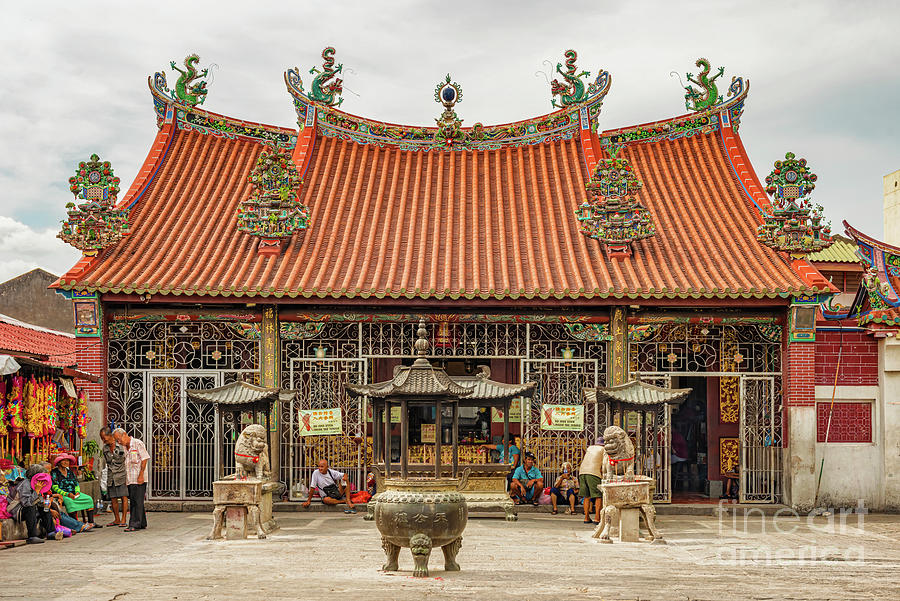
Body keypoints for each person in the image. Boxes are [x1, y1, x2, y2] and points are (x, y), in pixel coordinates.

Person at [50, 453, 101, 528]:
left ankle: (91, 522)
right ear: (59, 462)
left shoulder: (70, 472)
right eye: (63, 460)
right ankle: (76, 524)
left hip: (74, 494)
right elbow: (55, 487)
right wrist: (67, 494)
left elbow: (76, 484)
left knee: (89, 499)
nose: (66, 462)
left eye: (67, 461)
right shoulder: (54, 473)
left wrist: (77, 492)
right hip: (63, 495)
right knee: (69, 502)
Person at [114, 427, 150, 532]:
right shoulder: (125, 448)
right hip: (130, 478)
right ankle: (142, 522)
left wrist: (141, 475)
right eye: (117, 440)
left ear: (124, 434)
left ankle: (134, 524)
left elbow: (144, 459)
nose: (118, 442)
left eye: (119, 439)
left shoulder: (138, 443)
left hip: (139, 477)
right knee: (135, 500)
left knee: (136, 502)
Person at [17, 464, 56, 544]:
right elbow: (26, 503)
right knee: (30, 508)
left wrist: (44, 503)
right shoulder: (25, 484)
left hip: (30, 507)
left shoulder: (36, 483)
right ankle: (32, 536)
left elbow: (39, 500)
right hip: (18, 510)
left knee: (44, 507)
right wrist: (36, 491)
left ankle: (51, 532)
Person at [100, 426, 129, 527]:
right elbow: (107, 462)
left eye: (104, 438)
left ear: (109, 435)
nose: (103, 440)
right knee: (113, 497)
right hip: (111, 475)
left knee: (123, 496)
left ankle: (124, 519)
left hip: (121, 473)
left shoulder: (120, 445)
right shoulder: (105, 448)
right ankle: (116, 519)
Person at [579, 439, 605, 525]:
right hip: (593, 473)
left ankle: (586, 518)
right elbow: (605, 465)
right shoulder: (603, 449)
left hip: (582, 472)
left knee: (587, 496)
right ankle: (597, 518)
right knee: (598, 496)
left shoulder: (590, 448)